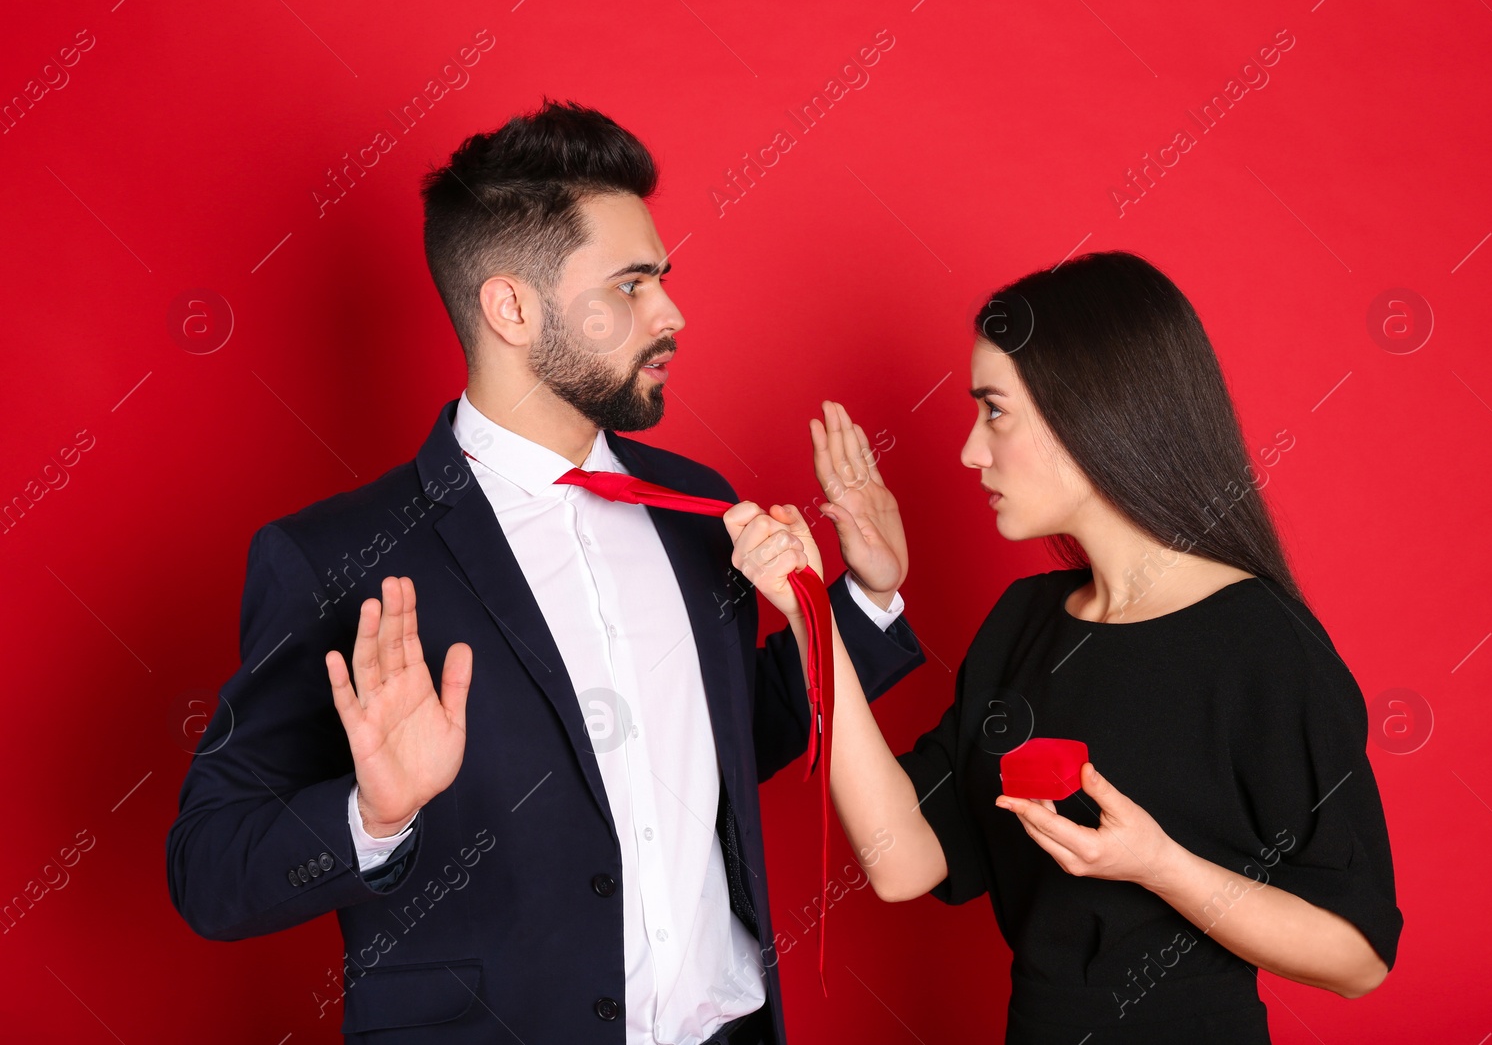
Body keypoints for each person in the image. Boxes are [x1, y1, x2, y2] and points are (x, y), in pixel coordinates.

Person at [164, 99, 924, 1044]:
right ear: (511, 306)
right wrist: (374, 812)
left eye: (663, 279)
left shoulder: (697, 508)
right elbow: (208, 870)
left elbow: (724, 737)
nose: (672, 311)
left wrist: (864, 597)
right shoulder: (333, 557)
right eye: (633, 283)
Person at [726, 251, 1403, 1043]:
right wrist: (814, 610)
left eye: (995, 410)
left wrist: (1159, 864)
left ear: (1094, 410)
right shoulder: (1027, 619)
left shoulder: (1258, 641)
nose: (970, 452)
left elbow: (1359, 957)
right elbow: (901, 858)